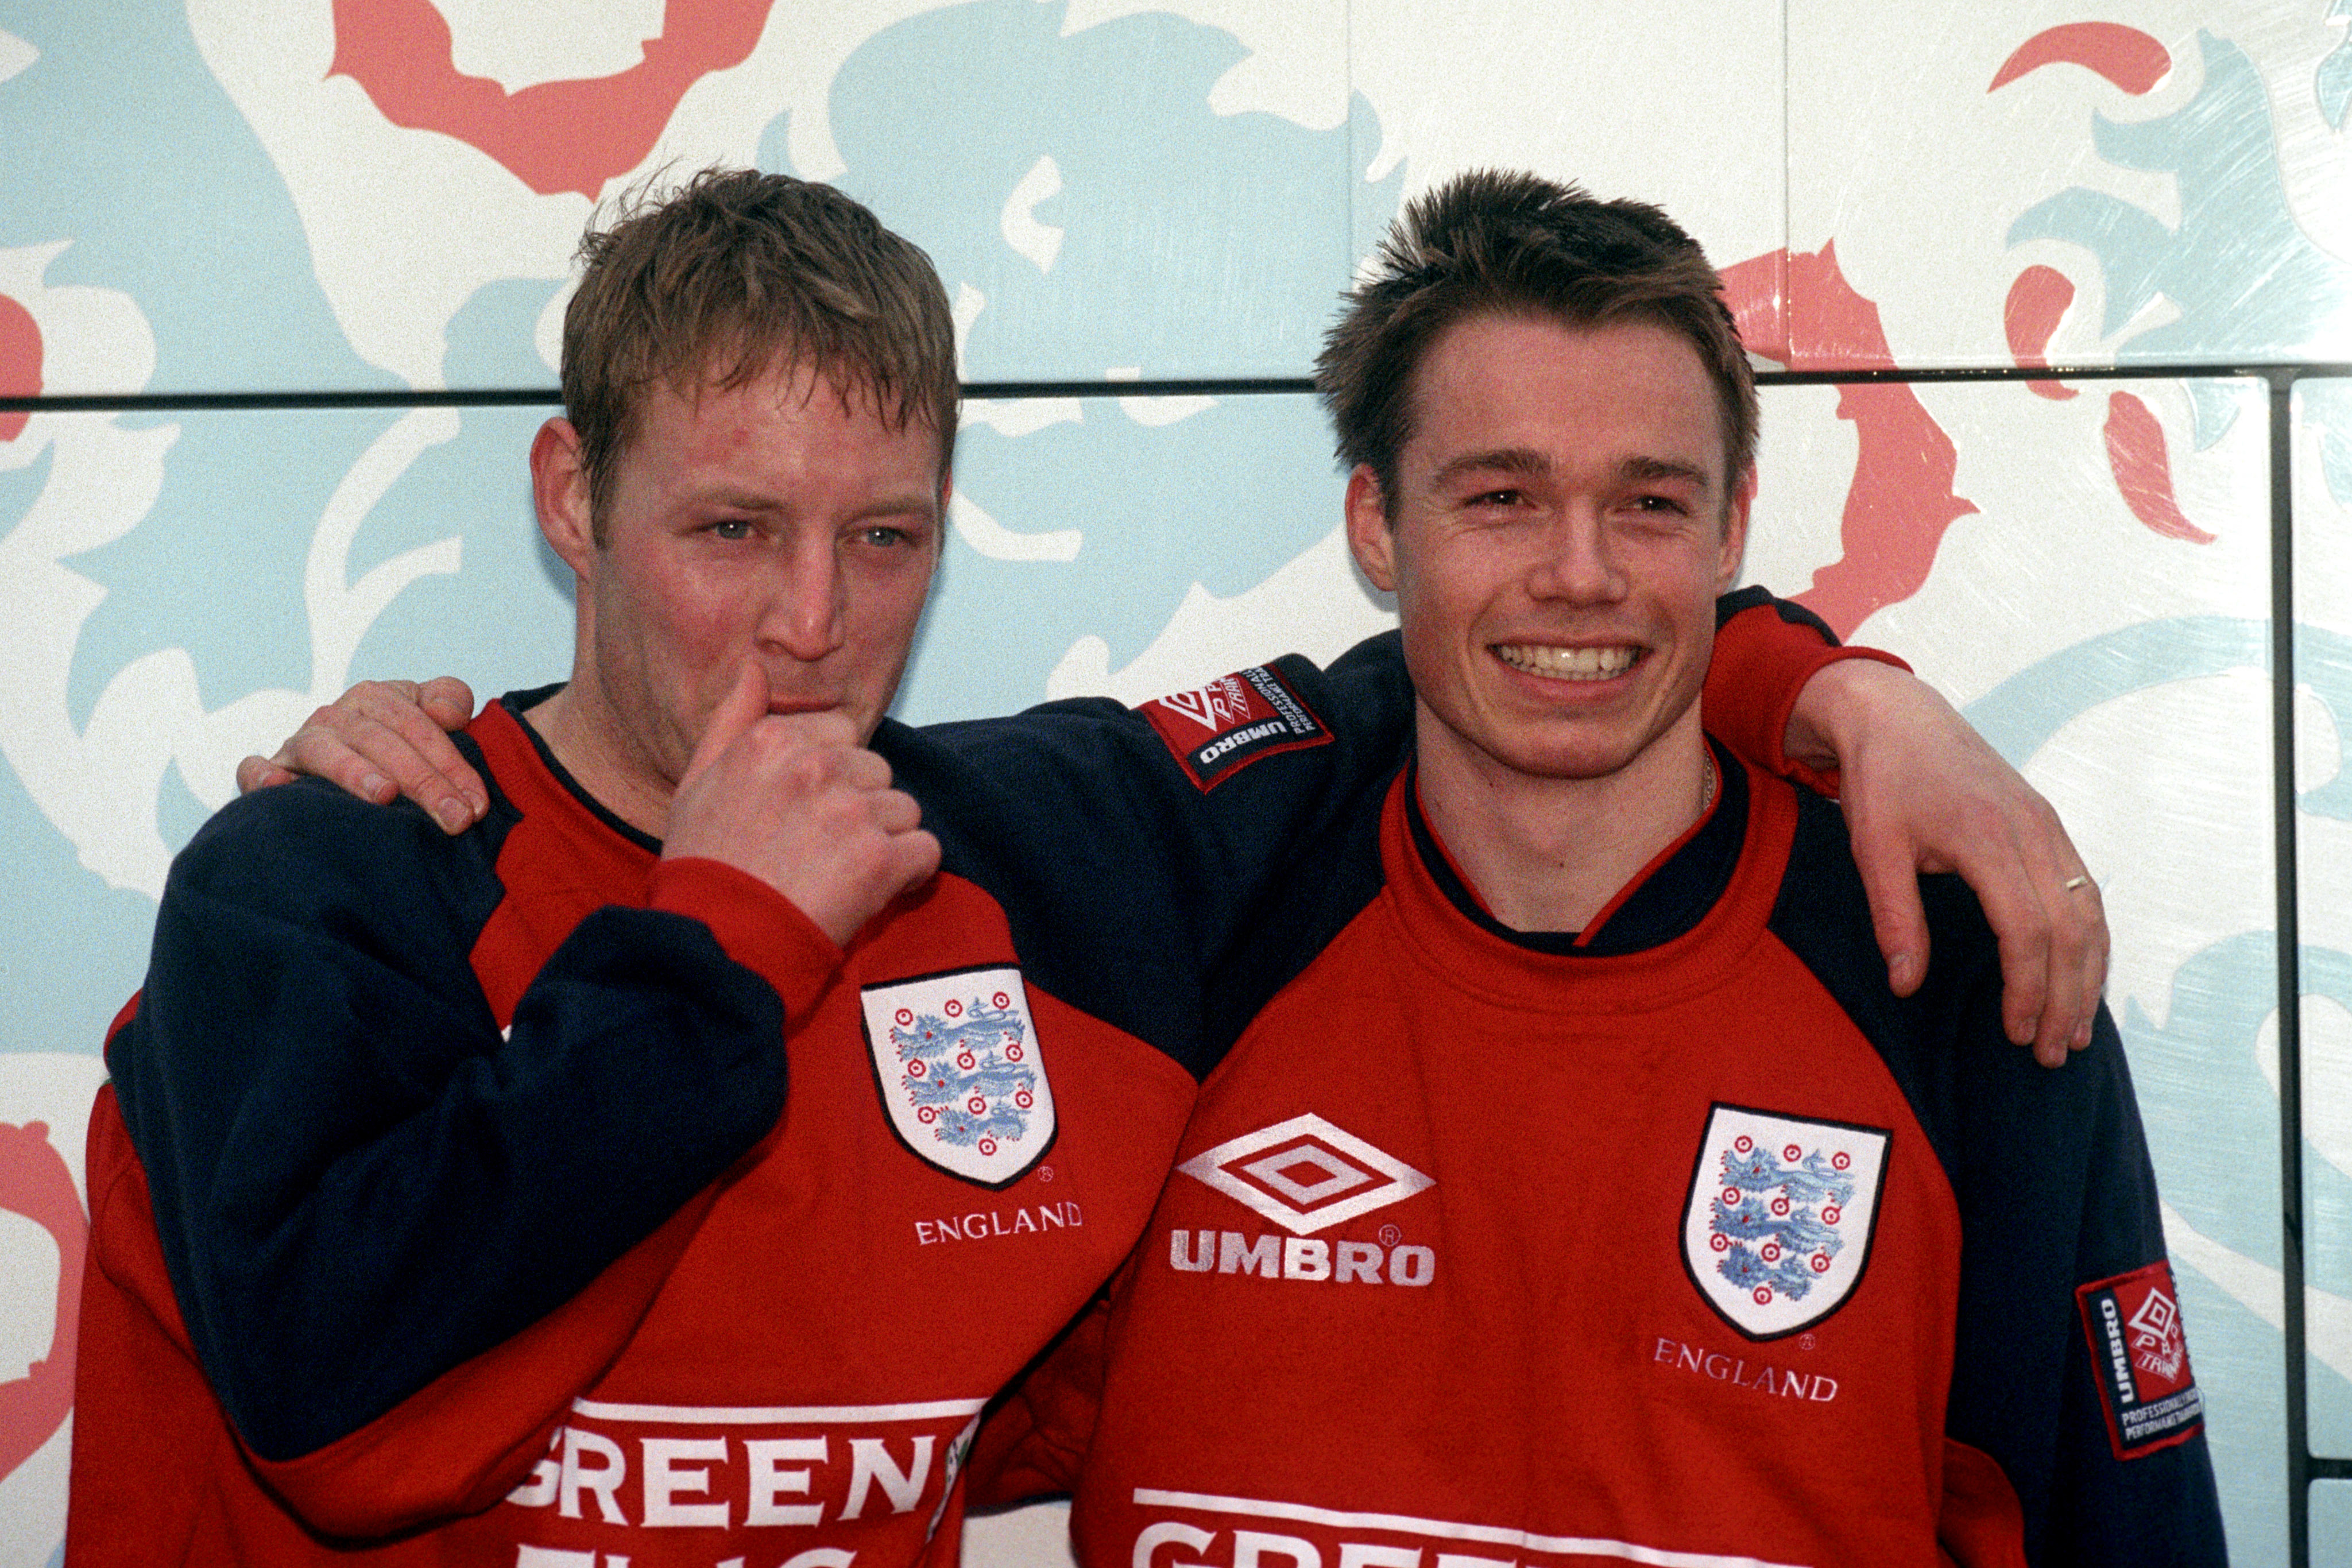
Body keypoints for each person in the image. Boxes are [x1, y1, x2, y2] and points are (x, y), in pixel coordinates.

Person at [71, 168, 2098, 1565]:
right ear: (569, 497)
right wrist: (720, 940)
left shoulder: (1020, 856)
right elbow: (340, 1431)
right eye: (729, 531)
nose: (808, 622)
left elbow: (1497, 667)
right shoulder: (331, 875)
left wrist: (1832, 694)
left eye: (883, 538)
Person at [967, 171, 2223, 1566]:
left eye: (1647, 504)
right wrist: (1831, 691)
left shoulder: (1944, 965)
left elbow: (2123, 1531)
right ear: (1377, 526)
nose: (1579, 574)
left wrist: (1832, 689)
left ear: (1731, 524)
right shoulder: (1184, 911)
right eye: (1500, 497)